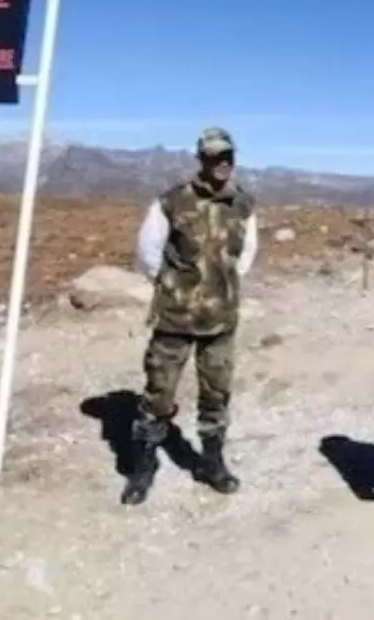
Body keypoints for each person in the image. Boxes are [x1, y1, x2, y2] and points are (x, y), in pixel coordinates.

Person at [122, 126, 259, 506]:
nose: (222, 163)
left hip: (221, 319)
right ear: (201, 159)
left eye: (227, 156)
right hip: (175, 318)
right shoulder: (172, 201)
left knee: (216, 392)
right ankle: (142, 468)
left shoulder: (243, 205)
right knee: (159, 392)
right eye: (214, 157)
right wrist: (175, 287)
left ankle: (212, 463)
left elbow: (245, 255)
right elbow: (148, 253)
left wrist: (221, 287)